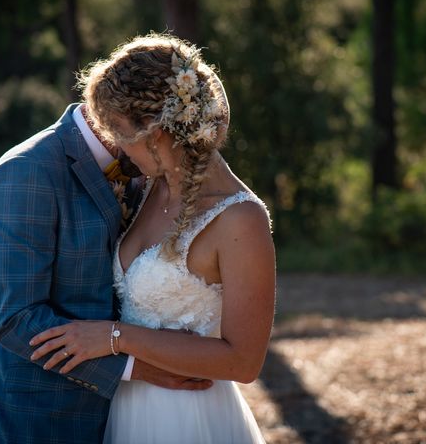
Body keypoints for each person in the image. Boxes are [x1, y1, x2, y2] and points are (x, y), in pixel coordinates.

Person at [29, 34, 276, 443]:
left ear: (156, 131)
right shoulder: (149, 187)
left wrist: (113, 337)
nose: (117, 147)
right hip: (124, 408)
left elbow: (244, 361)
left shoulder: (240, 219)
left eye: (121, 133)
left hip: (187, 418)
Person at [0, 56, 213, 441]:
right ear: (133, 122)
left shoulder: (151, 165)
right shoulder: (24, 174)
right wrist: (140, 367)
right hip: (41, 420)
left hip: (136, 418)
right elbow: (17, 321)